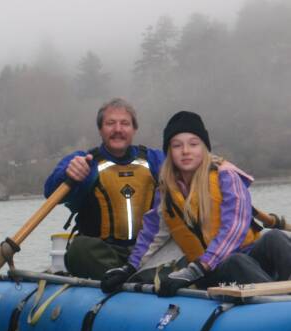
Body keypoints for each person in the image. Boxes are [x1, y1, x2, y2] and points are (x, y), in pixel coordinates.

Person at [101, 111, 291, 296]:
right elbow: (152, 236)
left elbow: (235, 227)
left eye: (193, 144)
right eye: (177, 145)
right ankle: (279, 307)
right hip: (210, 273)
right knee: (236, 262)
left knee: (275, 237)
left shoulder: (227, 177)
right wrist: (129, 268)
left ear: (204, 148)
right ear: (169, 152)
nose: (185, 151)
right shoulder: (166, 192)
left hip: (225, 261)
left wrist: (199, 267)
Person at [44, 98, 165, 280]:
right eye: (110, 123)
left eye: (125, 123)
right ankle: (132, 277)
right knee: (79, 249)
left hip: (147, 250)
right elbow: (51, 192)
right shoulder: (85, 161)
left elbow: (187, 167)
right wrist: (67, 175)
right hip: (103, 254)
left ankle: (130, 275)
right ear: (101, 129)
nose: (118, 129)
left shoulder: (155, 159)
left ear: (134, 129)